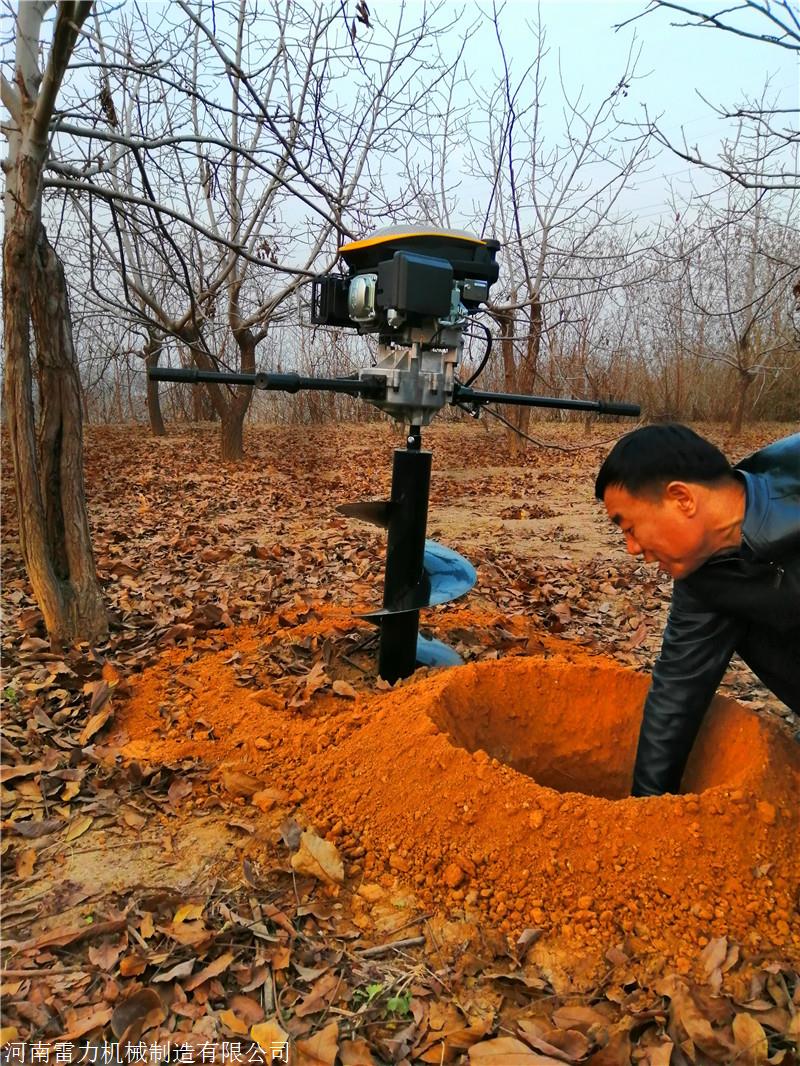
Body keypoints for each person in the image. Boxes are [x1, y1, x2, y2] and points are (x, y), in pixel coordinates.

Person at [594, 424, 800, 797]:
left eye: (630, 527)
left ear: (682, 499)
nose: (631, 549)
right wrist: (647, 813)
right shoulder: (703, 578)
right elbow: (677, 691)